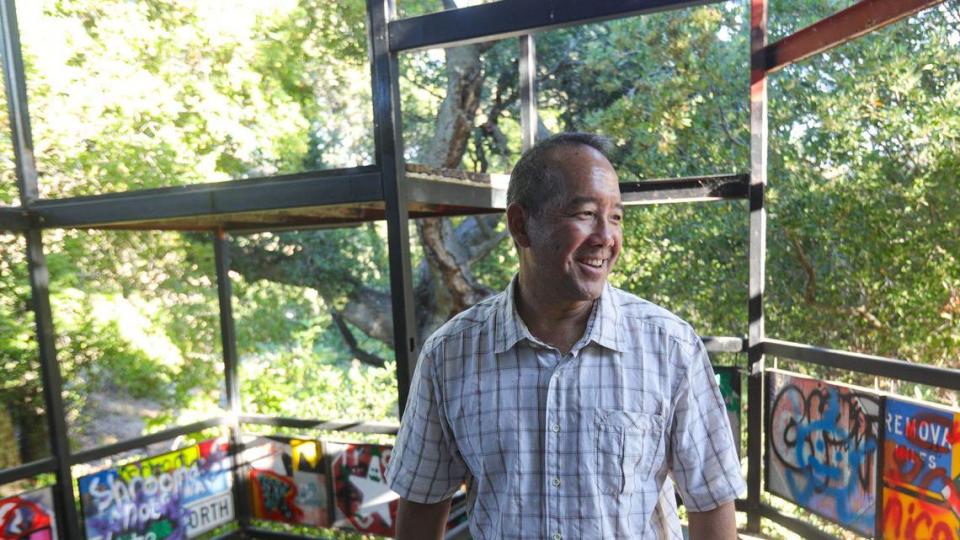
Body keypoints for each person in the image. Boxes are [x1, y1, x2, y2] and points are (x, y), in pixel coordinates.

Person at [386, 132, 744, 539]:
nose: (606, 238)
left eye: (616, 217)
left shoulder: (669, 347)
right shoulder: (450, 355)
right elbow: (421, 504)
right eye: (586, 213)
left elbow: (712, 501)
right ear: (521, 226)